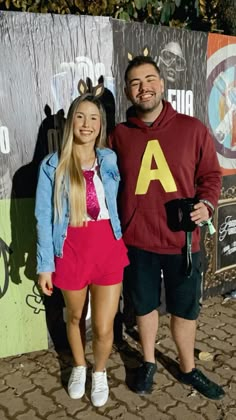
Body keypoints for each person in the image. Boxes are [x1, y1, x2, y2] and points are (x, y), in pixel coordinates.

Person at [109, 55, 225, 400]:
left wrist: (206, 204)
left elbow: (211, 176)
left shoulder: (192, 129)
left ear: (161, 84)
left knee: (184, 309)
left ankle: (188, 368)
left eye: (149, 80)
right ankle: (148, 362)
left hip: (182, 242)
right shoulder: (119, 135)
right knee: (143, 307)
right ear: (129, 92)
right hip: (137, 241)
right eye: (134, 83)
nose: (143, 88)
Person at [35, 79, 129, 408]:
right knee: (74, 317)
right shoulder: (52, 165)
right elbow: (43, 217)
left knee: (104, 328)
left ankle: (99, 371)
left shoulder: (110, 159)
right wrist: (45, 264)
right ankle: (78, 365)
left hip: (106, 246)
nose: (86, 124)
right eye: (80, 116)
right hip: (70, 248)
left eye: (93, 118)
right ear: (70, 121)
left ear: (101, 125)